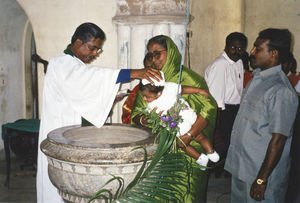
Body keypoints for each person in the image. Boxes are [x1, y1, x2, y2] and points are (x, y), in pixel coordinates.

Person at [36, 22, 162, 203]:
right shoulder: (61, 63)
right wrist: (135, 73)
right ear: (78, 42)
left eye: (98, 50)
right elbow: (90, 79)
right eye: (93, 48)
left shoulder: (74, 64)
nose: (95, 54)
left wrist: (110, 98)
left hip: (74, 131)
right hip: (60, 129)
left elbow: (82, 93)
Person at [131, 35, 217, 202]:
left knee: (187, 194)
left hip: (190, 147)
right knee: (162, 194)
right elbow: (136, 114)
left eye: (158, 54)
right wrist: (149, 120)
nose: (154, 60)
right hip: (162, 148)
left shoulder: (189, 78)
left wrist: (189, 135)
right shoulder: (150, 80)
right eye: (151, 55)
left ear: (170, 52)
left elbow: (209, 107)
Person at [224, 28, 298, 202]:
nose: (251, 52)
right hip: (242, 167)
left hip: (261, 175)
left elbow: (278, 139)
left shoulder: (281, 90)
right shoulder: (257, 79)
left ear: (273, 54)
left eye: (257, 48)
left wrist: (261, 179)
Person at [139, 72, 220, 170]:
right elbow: (184, 89)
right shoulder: (169, 86)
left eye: (147, 97)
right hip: (189, 116)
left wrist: (154, 116)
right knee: (200, 137)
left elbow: (152, 118)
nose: (144, 98)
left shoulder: (152, 105)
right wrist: (199, 90)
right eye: (143, 96)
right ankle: (211, 152)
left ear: (159, 93)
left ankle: (200, 158)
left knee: (182, 145)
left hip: (177, 125)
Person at [204, 32, 247, 176]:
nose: (237, 52)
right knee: (222, 142)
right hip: (222, 110)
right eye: (233, 48)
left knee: (232, 143)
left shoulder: (239, 62)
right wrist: (217, 122)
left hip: (235, 108)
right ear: (226, 46)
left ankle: (224, 170)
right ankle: (214, 170)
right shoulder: (220, 65)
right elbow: (217, 98)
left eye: (241, 49)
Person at [122, 53, 153, 124]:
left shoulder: (170, 86)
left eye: (153, 68)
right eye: (147, 68)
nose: (150, 72)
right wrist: (142, 120)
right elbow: (127, 114)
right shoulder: (138, 89)